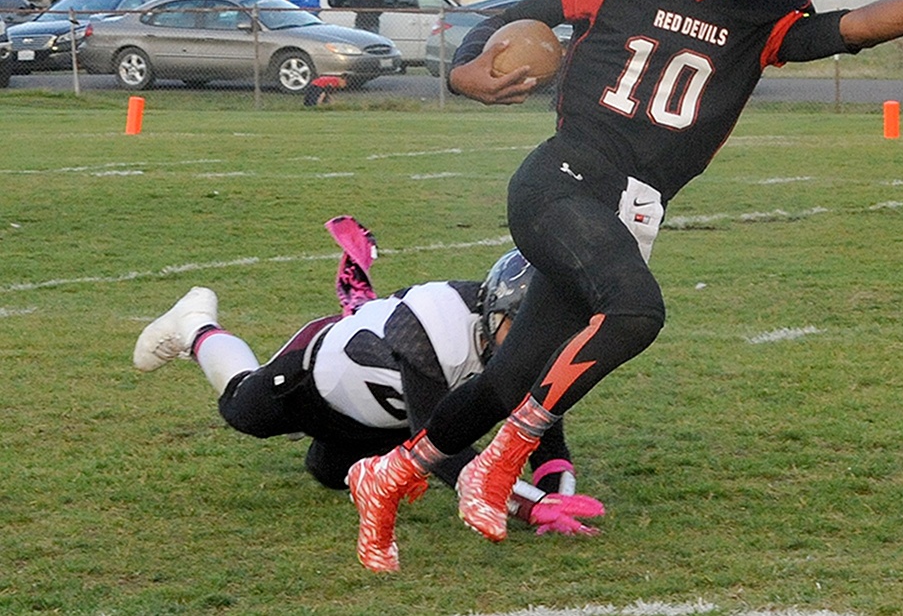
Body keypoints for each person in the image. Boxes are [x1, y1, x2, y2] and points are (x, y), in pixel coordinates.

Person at [347, 0, 903, 570]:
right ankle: (501, 460)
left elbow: (851, 29)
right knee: (636, 311)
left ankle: (389, 474)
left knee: (508, 378)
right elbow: (521, 14)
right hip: (563, 181)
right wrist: (463, 72)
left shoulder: (764, 8)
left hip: (632, 210)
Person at [132, 216, 603, 569]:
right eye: (523, 325)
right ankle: (196, 324)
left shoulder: (517, 341)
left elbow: (544, 433)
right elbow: (441, 448)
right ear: (496, 307)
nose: (534, 341)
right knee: (242, 409)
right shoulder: (437, 326)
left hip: (383, 419)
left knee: (330, 473)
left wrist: (554, 491)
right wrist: (531, 507)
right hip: (313, 378)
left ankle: (354, 310)